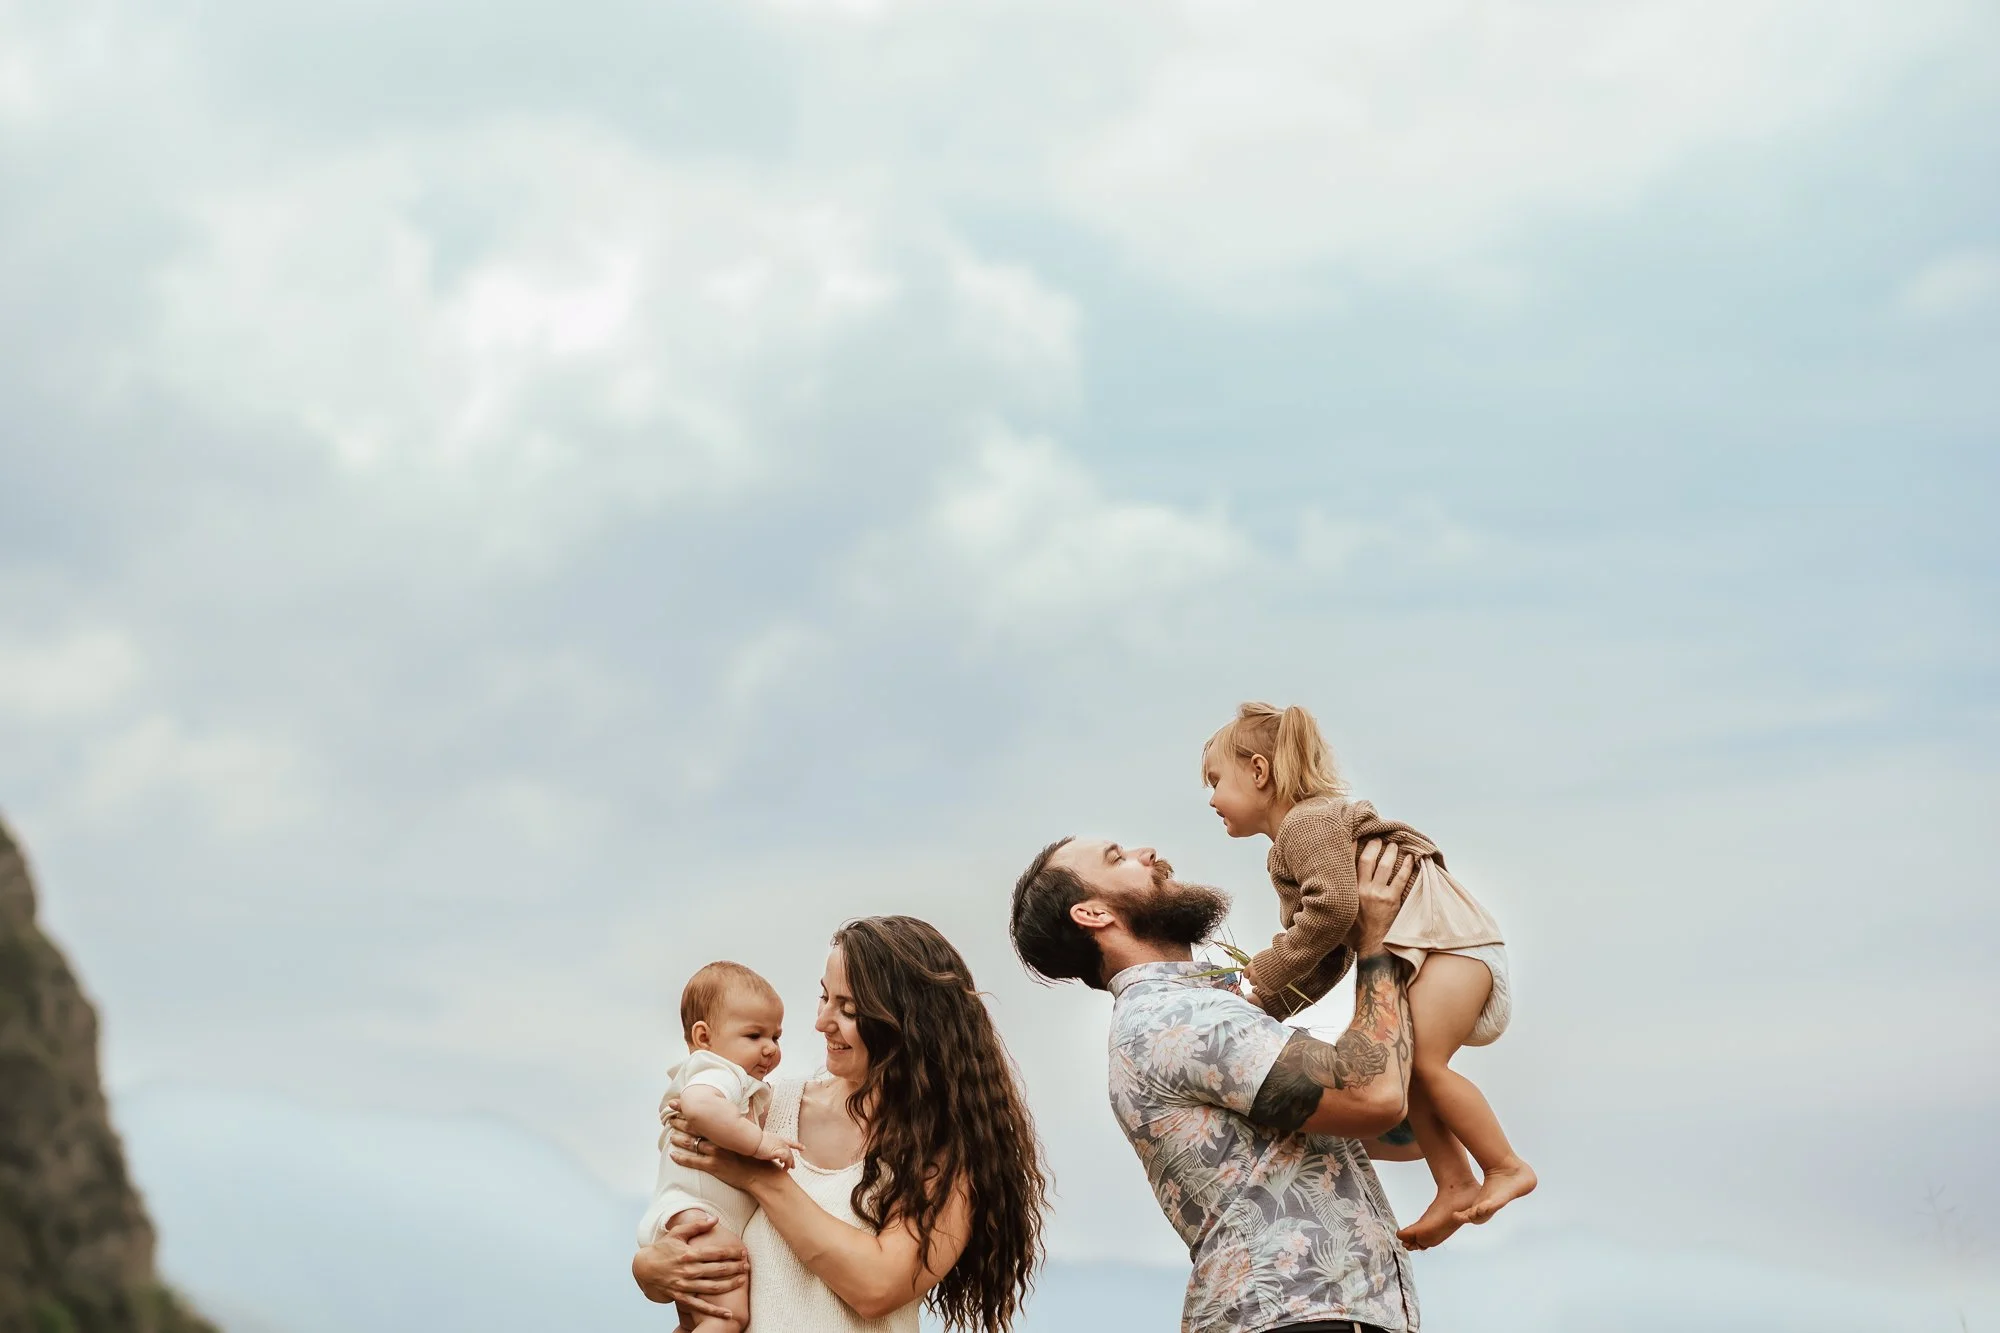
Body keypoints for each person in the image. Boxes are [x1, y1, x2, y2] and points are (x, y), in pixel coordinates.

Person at [1010, 833, 1422, 1333]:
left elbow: (1395, 1131)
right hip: (1297, 1319)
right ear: (1093, 914)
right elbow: (1373, 1098)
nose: (1150, 851)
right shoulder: (1174, 1017)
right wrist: (1378, 942)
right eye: (1116, 858)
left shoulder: (1195, 1011)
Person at [1201, 701, 1534, 1249]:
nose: (1211, 798)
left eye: (1216, 780)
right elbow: (1330, 950)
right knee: (1409, 1070)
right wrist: (1270, 1005)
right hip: (1433, 948)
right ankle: (1454, 1183)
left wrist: (1257, 978)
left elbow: (1327, 915)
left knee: (1424, 1062)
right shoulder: (1305, 840)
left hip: (1450, 945)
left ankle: (1504, 1165)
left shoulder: (1307, 827)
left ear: (1259, 772)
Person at [632, 916, 1048, 1333]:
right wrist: (651, 1267)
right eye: (824, 997)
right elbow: (692, 1203)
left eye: (848, 1008)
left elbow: (879, 1287)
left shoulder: (945, 1155)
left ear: (908, 1025)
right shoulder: (763, 1110)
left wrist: (762, 1178)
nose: (821, 1022)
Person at [635, 960, 798, 1332]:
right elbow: (700, 1106)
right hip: (703, 1216)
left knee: (697, 1322)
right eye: (754, 1036)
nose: (770, 1048)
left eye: (776, 1037)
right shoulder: (718, 1072)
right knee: (730, 1318)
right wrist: (760, 1143)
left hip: (693, 1216)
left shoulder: (730, 1080)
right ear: (704, 1037)